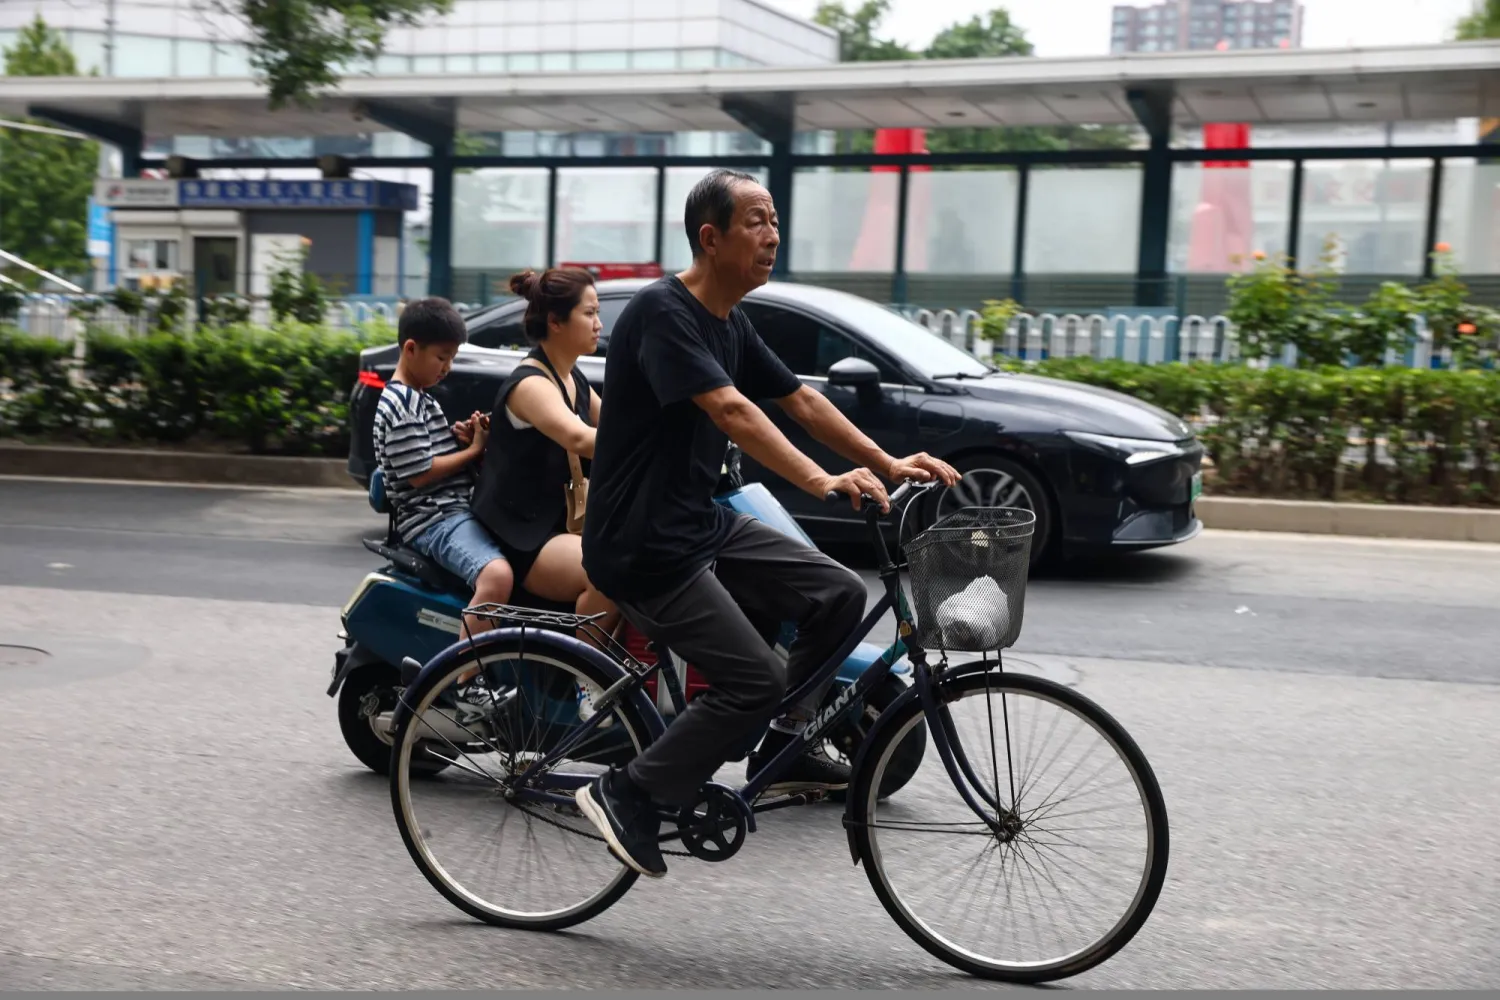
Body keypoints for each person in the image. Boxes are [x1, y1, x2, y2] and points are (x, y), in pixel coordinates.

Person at [574, 169, 959, 878]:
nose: (772, 235)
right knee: (750, 680)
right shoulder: (664, 313)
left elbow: (797, 401)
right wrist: (822, 480)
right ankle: (625, 790)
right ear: (710, 238)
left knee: (838, 595)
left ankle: (787, 740)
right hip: (640, 543)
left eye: (775, 221)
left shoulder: (731, 322)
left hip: (696, 523)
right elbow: (732, 411)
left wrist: (888, 460)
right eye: (756, 221)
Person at [471, 267, 620, 639]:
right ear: (555, 321)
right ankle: (588, 688)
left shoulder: (572, 377)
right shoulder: (531, 385)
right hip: (523, 534)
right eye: (589, 313)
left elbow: (619, 424)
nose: (599, 324)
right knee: (607, 573)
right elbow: (581, 437)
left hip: (556, 526)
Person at [373, 297, 514, 637]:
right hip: (433, 521)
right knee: (497, 576)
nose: (447, 367)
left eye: (452, 358)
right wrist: (474, 451)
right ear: (410, 348)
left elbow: (428, 453)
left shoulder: (420, 396)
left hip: (449, 512)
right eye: (442, 357)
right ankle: (469, 680)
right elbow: (421, 474)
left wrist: (462, 440)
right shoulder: (401, 403)